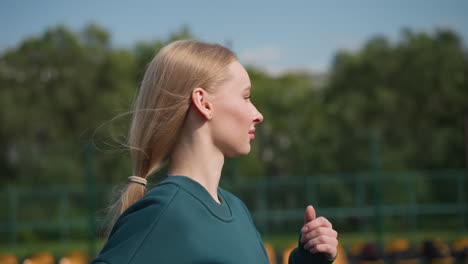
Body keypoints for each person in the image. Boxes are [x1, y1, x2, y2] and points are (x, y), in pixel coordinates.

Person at [91, 40, 338, 264]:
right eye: (246, 97)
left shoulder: (237, 209)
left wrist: (307, 260)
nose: (258, 114)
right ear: (204, 103)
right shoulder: (164, 213)